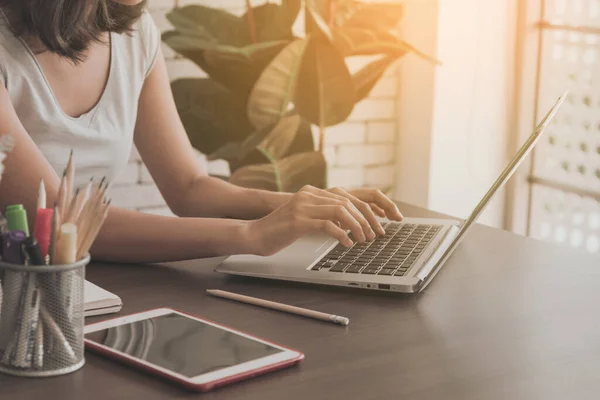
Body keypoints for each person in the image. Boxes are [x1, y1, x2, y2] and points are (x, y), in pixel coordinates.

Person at [0, 0, 403, 263]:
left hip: (89, 287)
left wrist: (300, 204)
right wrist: (249, 235)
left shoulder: (135, 35)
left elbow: (188, 186)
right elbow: (60, 221)